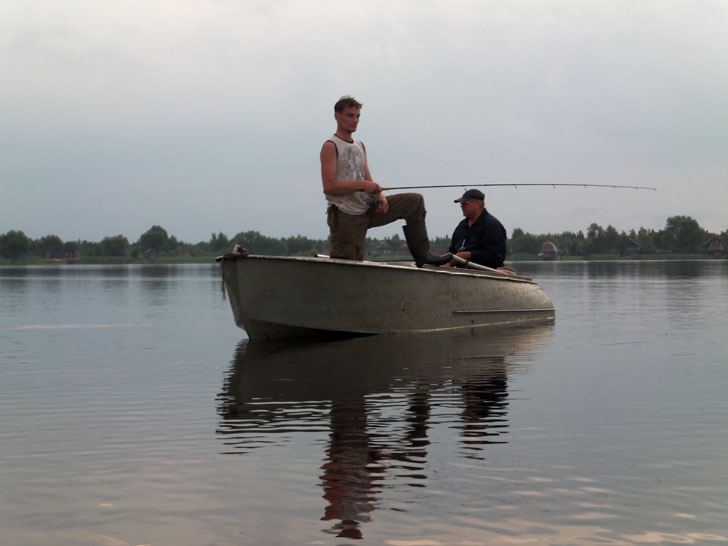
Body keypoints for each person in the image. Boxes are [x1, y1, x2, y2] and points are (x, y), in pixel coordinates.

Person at [320, 96, 450, 267]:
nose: (355, 120)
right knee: (349, 268)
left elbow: (366, 177)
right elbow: (329, 187)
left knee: (414, 201)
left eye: (358, 116)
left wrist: (379, 194)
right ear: (337, 116)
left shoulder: (360, 145)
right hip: (345, 216)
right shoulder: (331, 145)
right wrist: (362, 186)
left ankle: (423, 256)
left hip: (367, 208)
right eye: (350, 116)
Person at [446, 189, 507, 269]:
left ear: (478, 204)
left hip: (486, 275)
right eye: (461, 204)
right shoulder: (461, 226)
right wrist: (446, 261)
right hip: (461, 273)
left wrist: (468, 255)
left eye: (465, 203)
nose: (461, 206)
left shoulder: (492, 226)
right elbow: (452, 250)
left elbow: (496, 257)